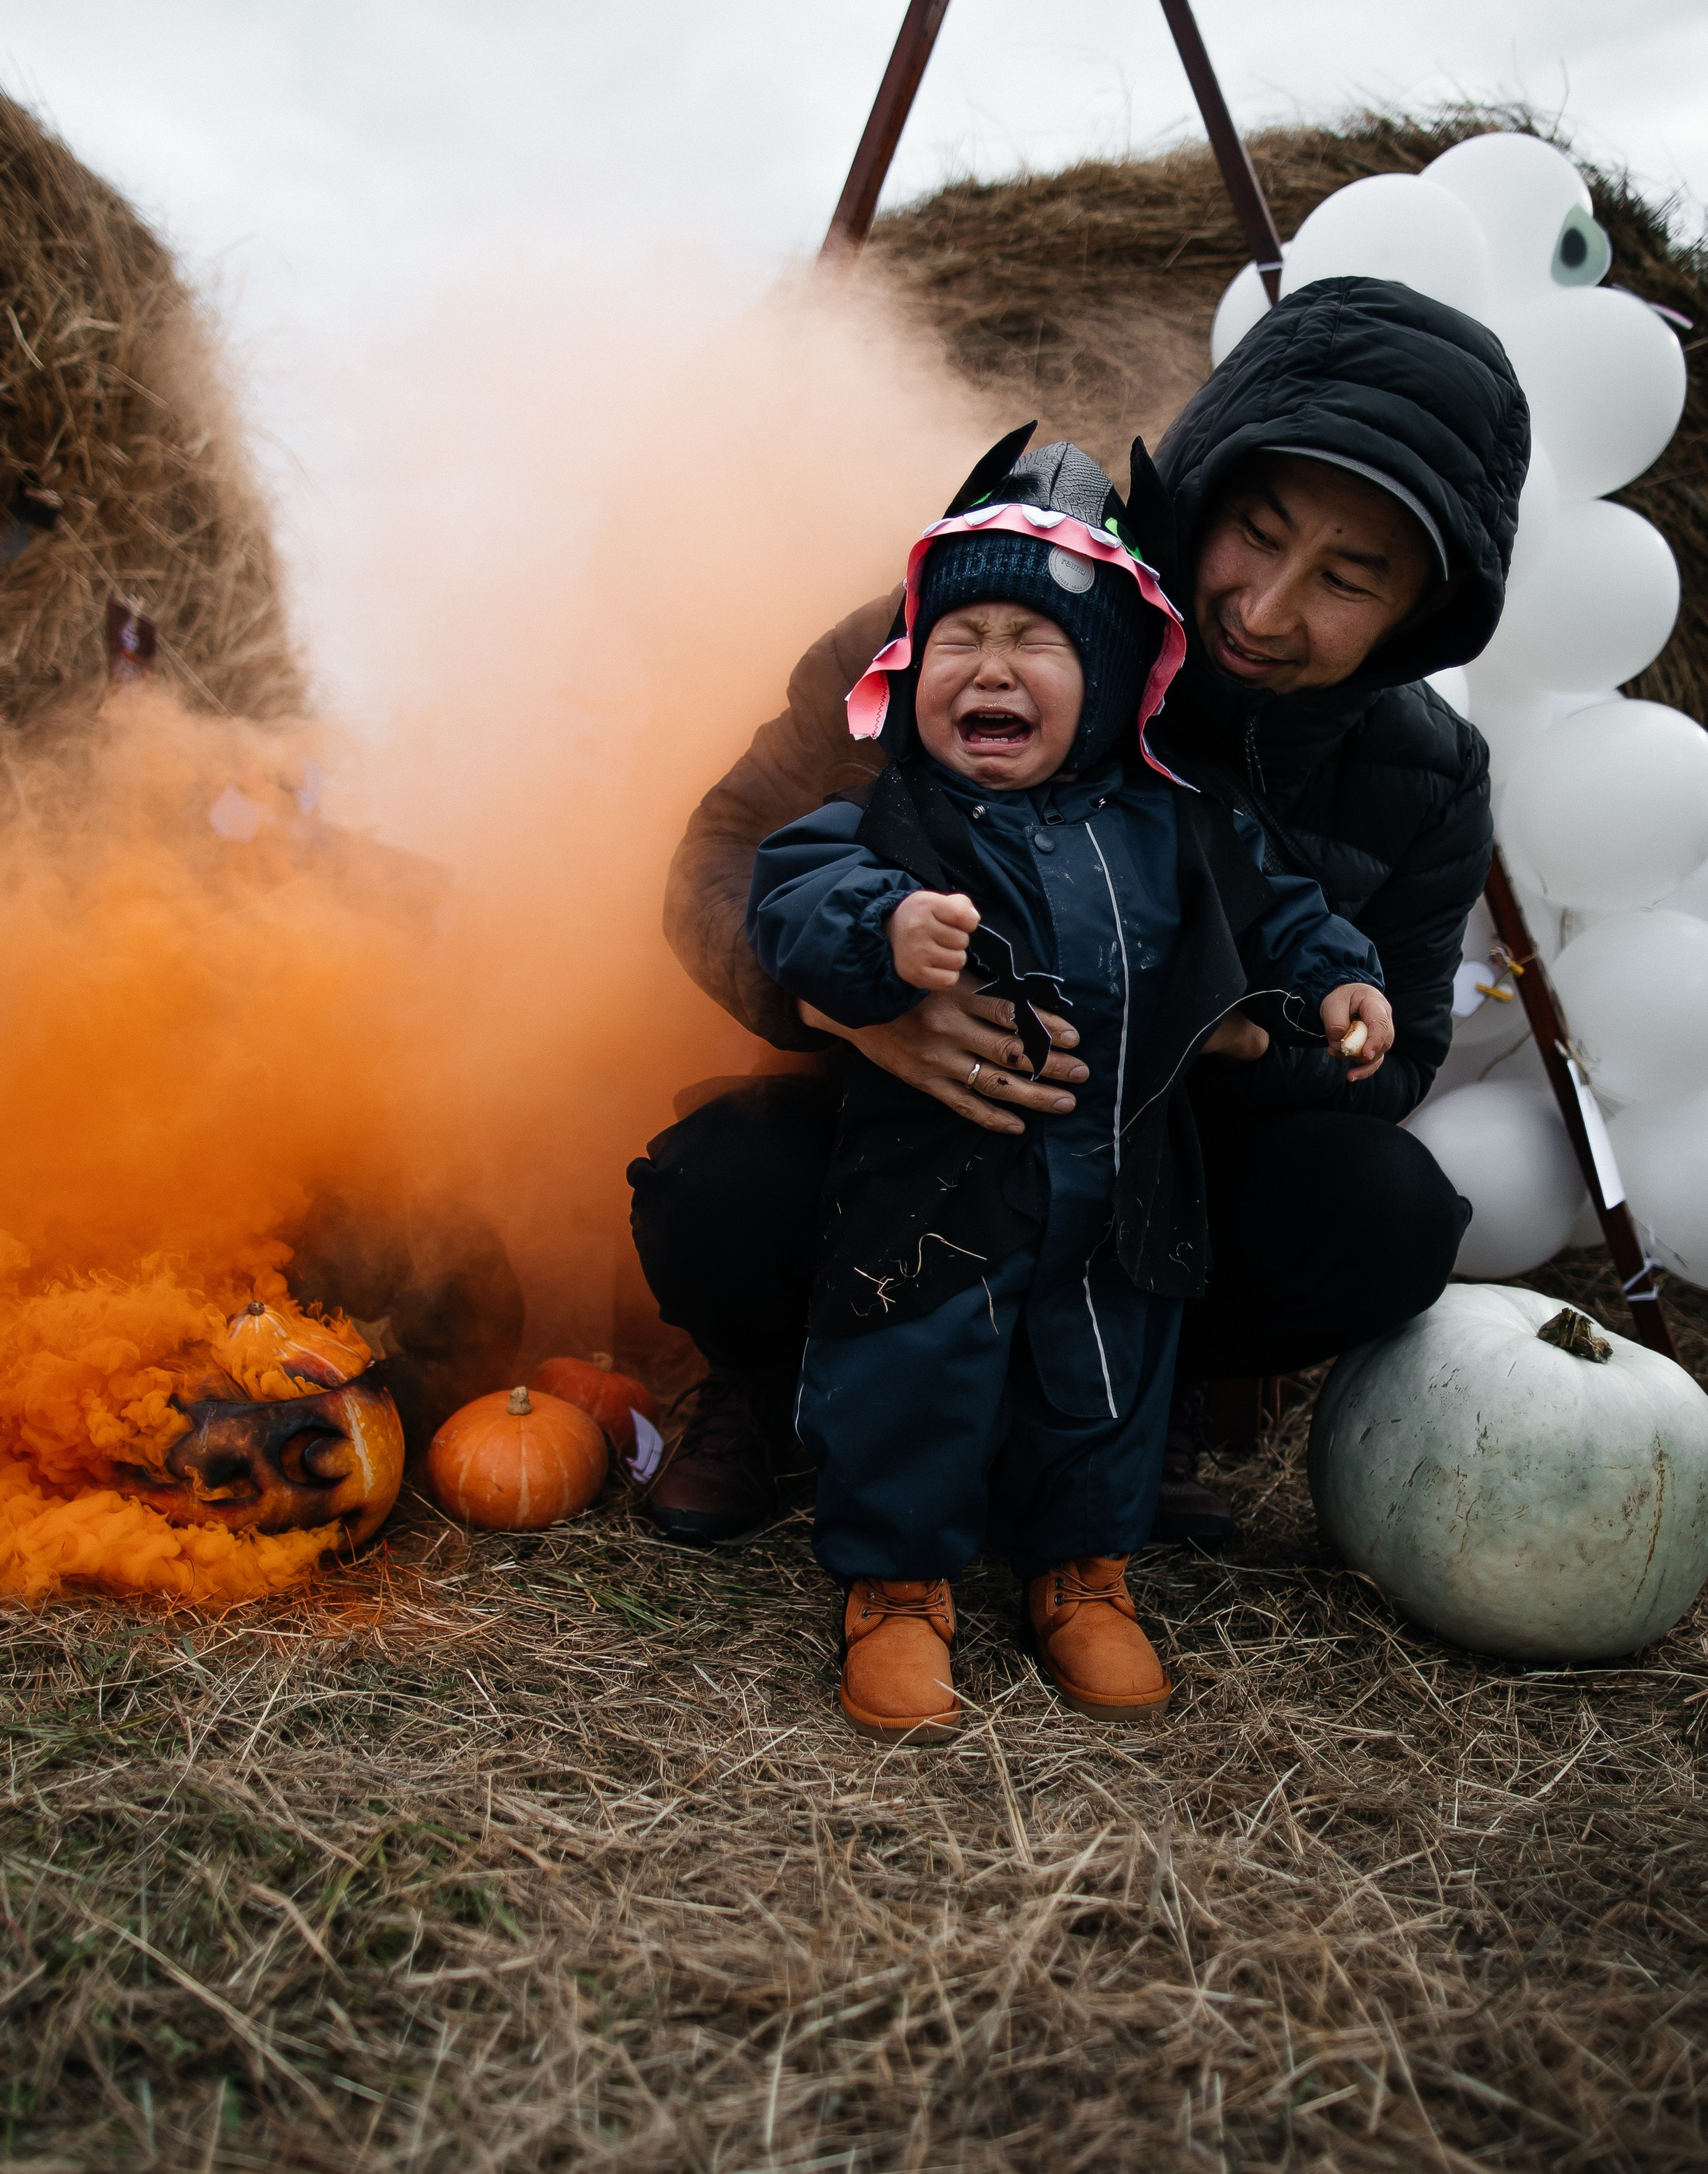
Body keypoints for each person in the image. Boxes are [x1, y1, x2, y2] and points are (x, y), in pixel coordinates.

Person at [629, 273, 1530, 1551]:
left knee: (1387, 1213)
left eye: (1348, 578)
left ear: (1419, 617)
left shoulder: (1429, 778)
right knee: (711, 1189)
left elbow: (1405, 1055)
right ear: (1208, 487)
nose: (1266, 611)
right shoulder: (973, 619)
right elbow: (718, 855)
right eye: (1258, 535)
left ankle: (1136, 1403)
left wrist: (1241, 1042)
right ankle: (777, 1379)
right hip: (910, 1143)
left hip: (1160, 1179)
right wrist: (850, 1007)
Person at [743, 433, 1392, 1741]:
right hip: (931, 1191)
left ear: (1104, 685)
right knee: (911, 1376)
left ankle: (1082, 1575)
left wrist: (1335, 981)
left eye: (1036, 642)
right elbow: (787, 892)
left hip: (1120, 1185)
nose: (990, 665)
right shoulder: (887, 816)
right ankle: (899, 1585)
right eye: (960, 635)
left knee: (1104, 1383)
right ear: (912, 668)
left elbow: (1276, 910)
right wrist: (880, 936)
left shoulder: (1176, 820)